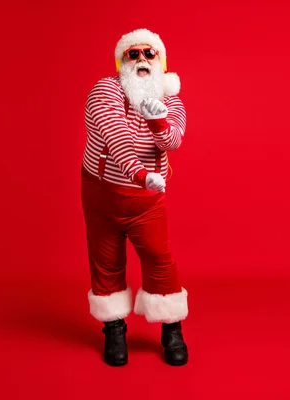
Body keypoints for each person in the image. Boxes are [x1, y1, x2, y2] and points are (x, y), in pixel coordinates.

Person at [80, 28, 189, 366]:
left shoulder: (171, 99)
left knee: (159, 258)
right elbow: (117, 139)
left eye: (149, 53)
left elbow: (173, 141)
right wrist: (142, 174)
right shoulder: (105, 90)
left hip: (147, 201)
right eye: (133, 53)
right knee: (106, 259)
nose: (142, 59)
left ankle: (172, 329)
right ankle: (114, 328)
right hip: (103, 195)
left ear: (161, 61)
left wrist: (158, 122)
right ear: (121, 61)